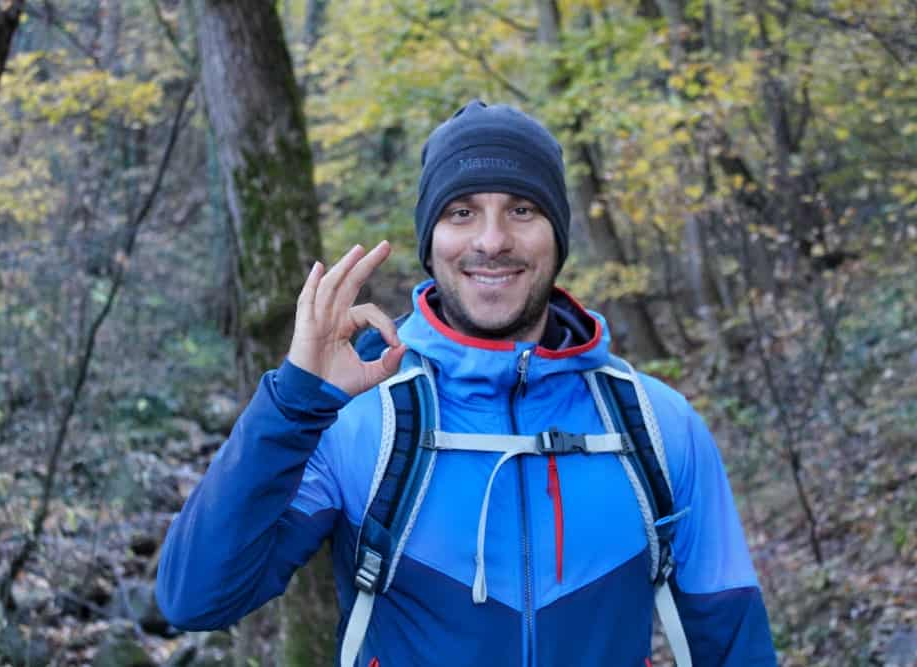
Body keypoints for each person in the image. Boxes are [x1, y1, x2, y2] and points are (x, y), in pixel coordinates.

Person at [156, 101, 777, 666]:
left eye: (522, 210)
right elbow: (194, 598)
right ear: (431, 241)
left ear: (558, 235)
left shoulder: (655, 424)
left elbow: (735, 647)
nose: (491, 240)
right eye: (461, 213)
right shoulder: (358, 419)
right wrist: (292, 401)